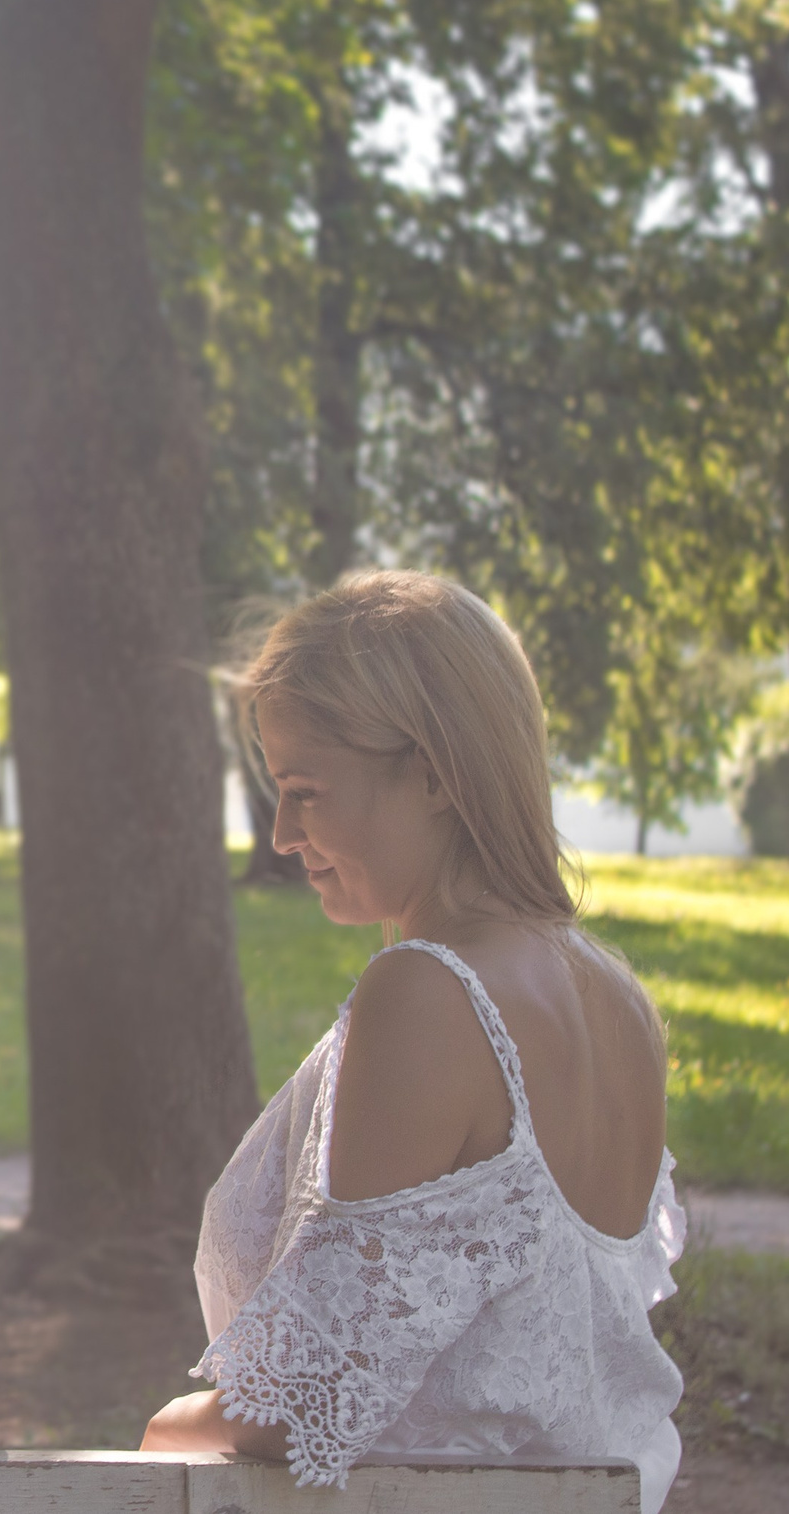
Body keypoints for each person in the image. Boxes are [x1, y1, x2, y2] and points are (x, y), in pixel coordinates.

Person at [142, 572, 683, 1514]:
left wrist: (164, 1433)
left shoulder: (430, 994)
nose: (282, 835)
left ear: (434, 773)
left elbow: (304, 1402)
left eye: (304, 792)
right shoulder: (618, 998)